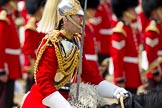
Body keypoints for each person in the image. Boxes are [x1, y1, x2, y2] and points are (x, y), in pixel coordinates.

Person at [21, 0, 128, 108]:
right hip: (44, 101)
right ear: (65, 19)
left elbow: (89, 75)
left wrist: (116, 91)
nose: (82, 19)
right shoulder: (51, 44)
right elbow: (44, 82)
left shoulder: (76, 42)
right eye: (78, 16)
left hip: (66, 96)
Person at [110, 0, 142, 94]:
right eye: (132, 9)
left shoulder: (129, 28)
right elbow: (117, 57)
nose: (135, 11)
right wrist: (119, 78)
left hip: (132, 76)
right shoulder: (120, 31)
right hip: (126, 78)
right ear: (125, 11)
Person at [0, 0, 22, 108]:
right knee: (4, 100)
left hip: (11, 64)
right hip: (6, 65)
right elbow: (1, 46)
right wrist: (1, 70)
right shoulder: (3, 18)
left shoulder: (9, 16)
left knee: (8, 99)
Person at [22, 0, 45, 93]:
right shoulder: (31, 25)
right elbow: (28, 49)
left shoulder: (39, 23)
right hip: (34, 65)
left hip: (40, 63)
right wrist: (31, 67)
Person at [142, 0, 162, 91]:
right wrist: (155, 72)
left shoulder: (159, 25)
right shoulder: (152, 29)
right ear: (154, 11)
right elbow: (150, 53)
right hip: (157, 73)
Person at [79, 0, 100, 77]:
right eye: (92, 9)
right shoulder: (80, 28)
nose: (94, 11)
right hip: (84, 69)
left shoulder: (88, 27)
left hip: (92, 67)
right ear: (85, 9)